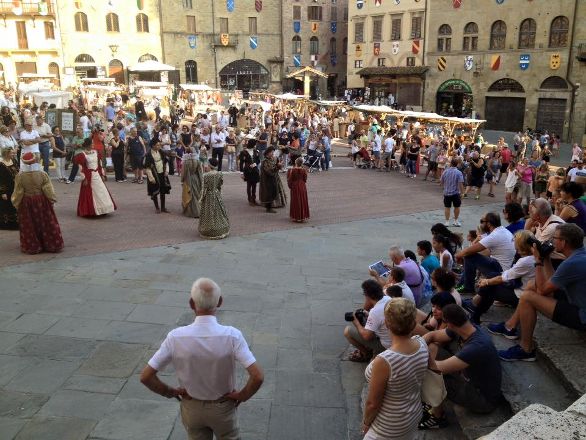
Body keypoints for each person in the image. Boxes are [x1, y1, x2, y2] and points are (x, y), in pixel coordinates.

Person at [140, 278, 263, 440]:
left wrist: (171, 392)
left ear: (192, 303)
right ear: (220, 302)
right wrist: (242, 396)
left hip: (192, 408)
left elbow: (146, 376)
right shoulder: (232, 336)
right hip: (222, 408)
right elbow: (257, 376)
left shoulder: (175, 337)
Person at [497, 224, 586, 361]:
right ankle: (511, 326)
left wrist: (538, 261)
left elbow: (542, 290)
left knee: (527, 297)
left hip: (582, 316)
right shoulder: (580, 255)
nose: (551, 242)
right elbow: (550, 283)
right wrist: (546, 258)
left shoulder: (571, 263)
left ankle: (526, 349)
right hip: (576, 301)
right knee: (532, 284)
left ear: (563, 242)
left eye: (554, 238)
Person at [420, 305, 503, 429]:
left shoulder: (476, 347)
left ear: (450, 324)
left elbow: (438, 368)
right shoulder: (467, 327)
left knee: (434, 377)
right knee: (432, 348)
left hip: (483, 399)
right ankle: (431, 400)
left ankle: (437, 418)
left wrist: (412, 357)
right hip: (469, 376)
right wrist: (418, 346)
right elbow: (432, 336)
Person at [362, 298, 429, 440]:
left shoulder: (385, 361)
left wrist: (366, 423)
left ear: (386, 323)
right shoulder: (422, 343)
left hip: (388, 424)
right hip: (413, 414)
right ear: (413, 323)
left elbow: (373, 403)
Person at [464, 230, 536, 324]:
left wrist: (486, 282)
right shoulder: (533, 256)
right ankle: (475, 308)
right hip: (522, 287)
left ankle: (475, 315)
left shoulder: (525, 261)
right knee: (492, 276)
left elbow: (502, 278)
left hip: (520, 295)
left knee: (489, 287)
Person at [11, 152, 64, 254]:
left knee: (30, 224)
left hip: (27, 202)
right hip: (41, 201)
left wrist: (16, 202)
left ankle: (33, 246)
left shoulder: (20, 176)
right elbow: (48, 188)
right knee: (46, 221)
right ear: (35, 161)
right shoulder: (42, 173)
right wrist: (51, 199)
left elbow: (18, 191)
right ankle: (50, 244)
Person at [456, 212, 516, 294]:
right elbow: (485, 252)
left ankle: (468, 287)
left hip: (500, 269)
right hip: (504, 267)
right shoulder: (503, 231)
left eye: (482, 221)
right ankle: (464, 284)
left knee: (469, 256)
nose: (480, 224)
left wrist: (457, 256)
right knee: (471, 256)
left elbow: (468, 251)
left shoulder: (495, 235)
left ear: (489, 224)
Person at [344, 280, 392, 362]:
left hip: (386, 346)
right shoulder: (388, 298)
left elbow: (367, 336)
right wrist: (368, 314)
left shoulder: (375, 311)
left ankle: (366, 354)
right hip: (394, 340)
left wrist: (356, 322)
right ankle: (373, 352)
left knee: (347, 331)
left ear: (367, 296)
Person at [73, 138, 116, 217]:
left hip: (97, 175)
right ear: (88, 144)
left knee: (102, 191)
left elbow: (99, 165)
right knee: (89, 193)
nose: (93, 144)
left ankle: (104, 209)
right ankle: (90, 210)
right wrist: (84, 178)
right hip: (89, 176)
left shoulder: (96, 152)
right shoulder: (82, 155)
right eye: (92, 143)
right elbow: (81, 168)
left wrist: (102, 174)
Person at [199, 158, 230, 240]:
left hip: (209, 196)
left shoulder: (206, 175)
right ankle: (221, 227)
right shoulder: (219, 174)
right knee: (218, 211)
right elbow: (220, 185)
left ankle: (209, 229)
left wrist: (201, 199)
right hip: (216, 194)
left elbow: (203, 189)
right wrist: (218, 193)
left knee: (209, 212)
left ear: (209, 165)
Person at [144, 140, 171, 214]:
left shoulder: (161, 152)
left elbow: (166, 162)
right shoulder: (148, 155)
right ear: (153, 146)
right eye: (157, 145)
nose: (159, 146)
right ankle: (157, 208)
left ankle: (163, 207)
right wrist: (151, 178)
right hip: (154, 174)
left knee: (163, 191)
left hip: (162, 173)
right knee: (154, 191)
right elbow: (147, 167)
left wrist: (166, 171)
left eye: (159, 145)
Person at [440, 158, 465, 227]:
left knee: (447, 207)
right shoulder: (459, 173)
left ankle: (447, 222)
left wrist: (444, 185)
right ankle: (455, 221)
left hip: (447, 192)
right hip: (455, 193)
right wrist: (462, 193)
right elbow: (460, 184)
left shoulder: (445, 171)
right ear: (457, 164)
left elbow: (441, 182)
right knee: (457, 207)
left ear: (451, 163)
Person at [181, 148, 204, 218]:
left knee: (190, 196)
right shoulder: (197, 161)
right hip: (196, 178)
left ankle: (193, 212)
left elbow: (183, 173)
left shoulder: (185, 162)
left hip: (188, 179)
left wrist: (182, 180)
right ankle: (198, 210)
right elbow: (200, 172)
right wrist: (201, 181)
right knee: (196, 195)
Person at [0, 146, 19, 229]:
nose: (13, 154)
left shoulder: (14, 160)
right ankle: (8, 224)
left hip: (15, 187)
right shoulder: (1, 164)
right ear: (6, 154)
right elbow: (1, 179)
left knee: (15, 204)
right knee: (7, 206)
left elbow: (18, 171)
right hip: (6, 189)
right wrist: (3, 192)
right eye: (11, 153)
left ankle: (16, 222)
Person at [259, 146, 282, 213]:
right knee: (268, 193)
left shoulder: (270, 159)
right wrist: (277, 167)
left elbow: (273, 169)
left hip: (271, 179)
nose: (272, 153)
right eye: (271, 152)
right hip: (267, 180)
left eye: (273, 152)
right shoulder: (265, 161)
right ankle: (268, 208)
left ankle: (270, 207)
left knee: (272, 192)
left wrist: (278, 166)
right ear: (268, 153)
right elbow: (269, 171)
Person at [287, 157, 309, 223]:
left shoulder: (292, 170)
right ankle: (303, 217)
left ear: (296, 163)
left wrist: (290, 186)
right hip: (302, 186)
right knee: (303, 200)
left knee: (295, 201)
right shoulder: (304, 170)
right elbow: (305, 179)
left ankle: (296, 217)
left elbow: (290, 179)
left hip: (295, 186)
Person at [239, 138, 261, 206]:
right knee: (249, 185)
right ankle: (250, 200)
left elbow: (258, 160)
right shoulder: (243, 152)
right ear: (252, 144)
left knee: (254, 185)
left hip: (255, 170)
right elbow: (241, 163)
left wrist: (254, 164)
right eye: (255, 144)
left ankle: (254, 199)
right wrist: (241, 173)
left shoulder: (256, 151)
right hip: (247, 170)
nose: (256, 145)